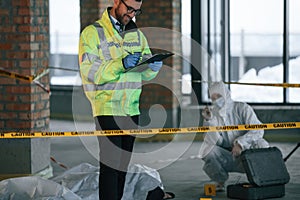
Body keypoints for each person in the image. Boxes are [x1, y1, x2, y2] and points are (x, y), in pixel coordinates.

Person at [78, 0, 164, 199]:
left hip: (131, 111)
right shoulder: (92, 33)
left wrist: (151, 68)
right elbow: (90, 70)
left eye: (137, 10)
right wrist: (120, 64)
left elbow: (142, 73)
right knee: (110, 167)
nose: (132, 14)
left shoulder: (136, 35)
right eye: (129, 8)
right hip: (107, 109)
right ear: (116, 1)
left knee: (122, 168)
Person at [199, 81, 269, 191]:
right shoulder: (214, 114)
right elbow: (215, 142)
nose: (216, 100)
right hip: (228, 156)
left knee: (262, 144)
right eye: (213, 98)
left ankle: (261, 179)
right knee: (207, 149)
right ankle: (219, 180)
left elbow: (258, 129)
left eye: (219, 96)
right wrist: (209, 121)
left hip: (248, 154)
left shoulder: (242, 108)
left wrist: (240, 144)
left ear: (226, 93)